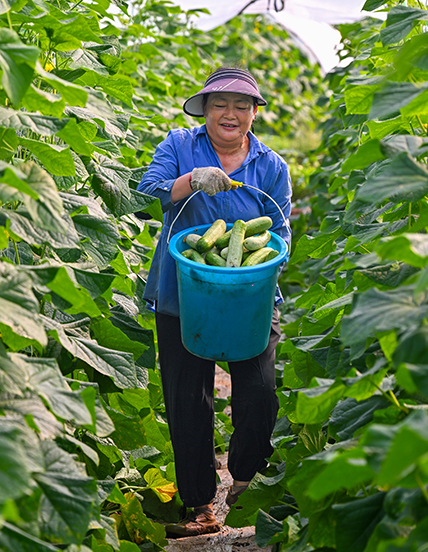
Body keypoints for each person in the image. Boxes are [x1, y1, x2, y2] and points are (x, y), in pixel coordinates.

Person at [136, 67, 291, 537]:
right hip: (185, 290)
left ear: (253, 113)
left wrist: (257, 269)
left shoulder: (271, 166)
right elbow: (148, 193)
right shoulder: (179, 145)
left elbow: (280, 231)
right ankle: (199, 506)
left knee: (260, 390)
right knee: (188, 398)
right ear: (204, 109)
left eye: (242, 105)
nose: (231, 113)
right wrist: (194, 179)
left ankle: (245, 484)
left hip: (251, 290)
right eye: (220, 103)